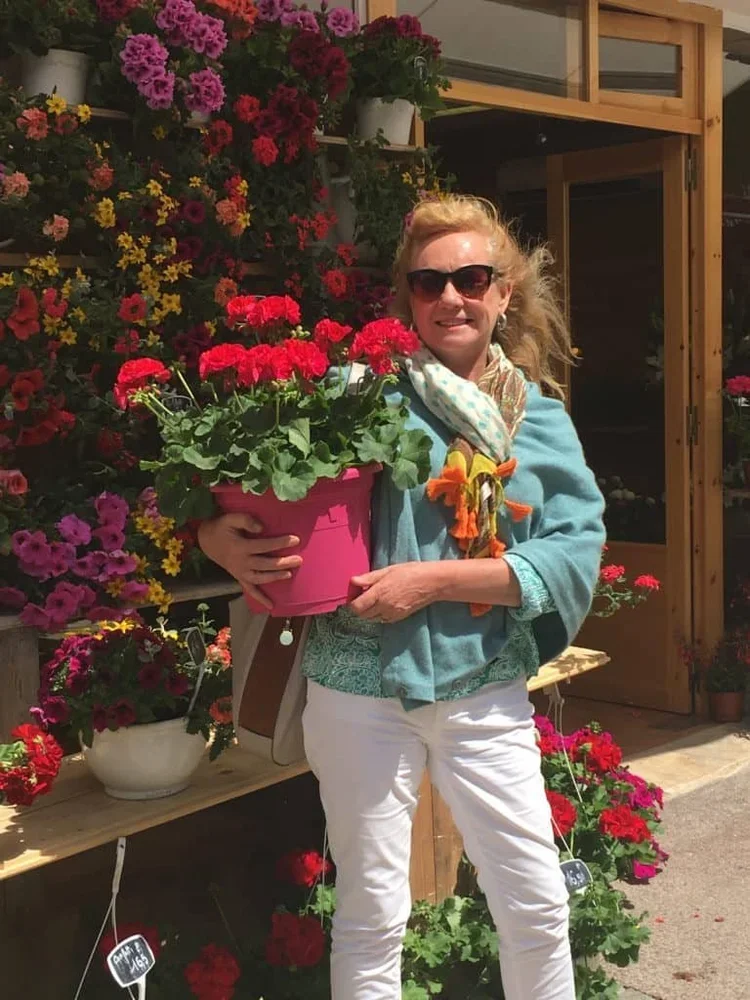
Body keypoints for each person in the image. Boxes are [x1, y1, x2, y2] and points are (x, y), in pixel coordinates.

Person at [197, 194, 605, 1000]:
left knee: (534, 903)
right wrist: (215, 535)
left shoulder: (539, 420)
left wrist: (435, 581)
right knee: (370, 910)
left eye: (470, 277)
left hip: (479, 682)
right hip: (355, 686)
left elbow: (573, 553)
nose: (450, 296)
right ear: (407, 297)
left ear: (501, 294)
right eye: (428, 282)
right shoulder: (352, 398)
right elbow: (266, 495)